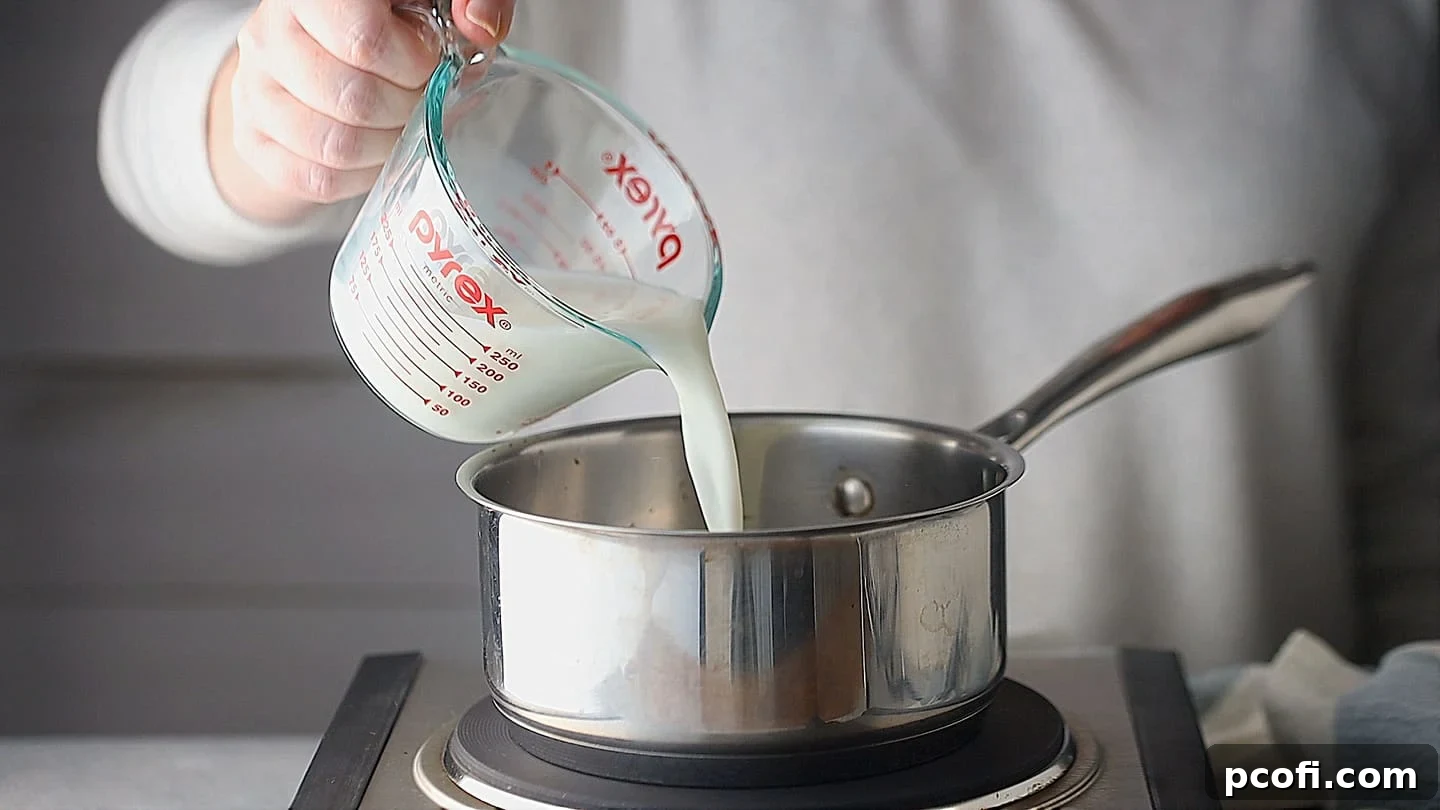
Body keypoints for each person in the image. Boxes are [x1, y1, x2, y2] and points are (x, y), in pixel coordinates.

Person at [99, 0, 1439, 672]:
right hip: (649, 747)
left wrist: (1347, 757)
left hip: (1219, 761)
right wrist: (272, 98)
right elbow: (149, 127)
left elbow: (1411, 495)